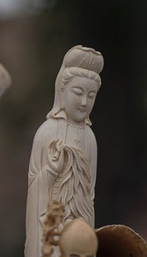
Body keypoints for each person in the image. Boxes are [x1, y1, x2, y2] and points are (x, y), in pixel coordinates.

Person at [25, 46, 102, 257]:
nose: (84, 102)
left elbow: (90, 193)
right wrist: (51, 171)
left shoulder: (90, 138)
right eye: (78, 93)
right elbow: (34, 185)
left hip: (80, 221)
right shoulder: (47, 131)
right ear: (62, 90)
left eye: (91, 95)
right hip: (52, 223)